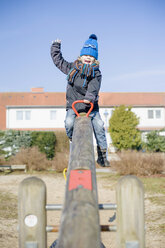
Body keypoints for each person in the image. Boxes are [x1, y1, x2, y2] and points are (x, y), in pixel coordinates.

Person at [51, 34, 110, 167]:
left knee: (99, 125)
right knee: (69, 122)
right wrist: (56, 47)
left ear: (95, 59)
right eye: (86, 55)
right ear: (81, 56)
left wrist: (89, 98)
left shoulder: (96, 73)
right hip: (74, 105)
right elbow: (58, 62)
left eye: (91, 56)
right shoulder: (73, 68)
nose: (88, 58)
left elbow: (94, 87)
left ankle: (102, 155)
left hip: (91, 106)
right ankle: (73, 139)